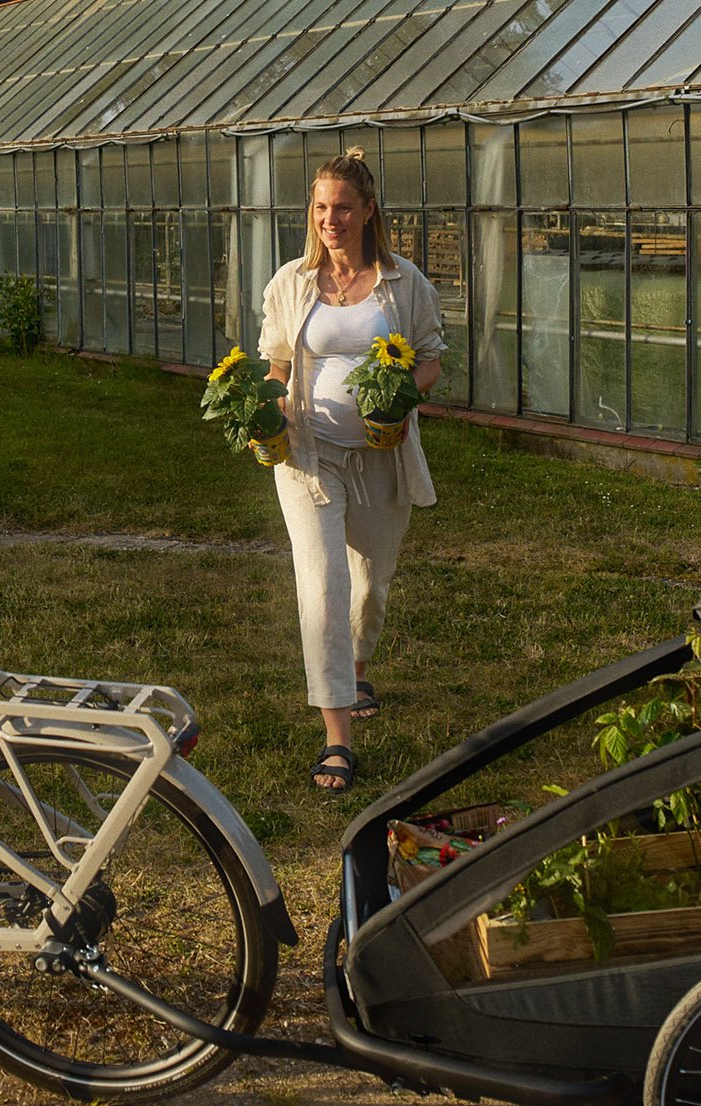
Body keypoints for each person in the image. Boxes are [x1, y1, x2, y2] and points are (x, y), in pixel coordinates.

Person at [257, 149, 444, 792]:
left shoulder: (404, 283)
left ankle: (359, 667)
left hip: (381, 455)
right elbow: (275, 363)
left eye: (341, 207)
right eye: (319, 207)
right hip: (307, 457)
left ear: (367, 211)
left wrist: (402, 399)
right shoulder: (290, 283)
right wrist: (269, 403)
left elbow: (429, 359)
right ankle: (337, 736)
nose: (329, 219)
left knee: (371, 583)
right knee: (323, 586)